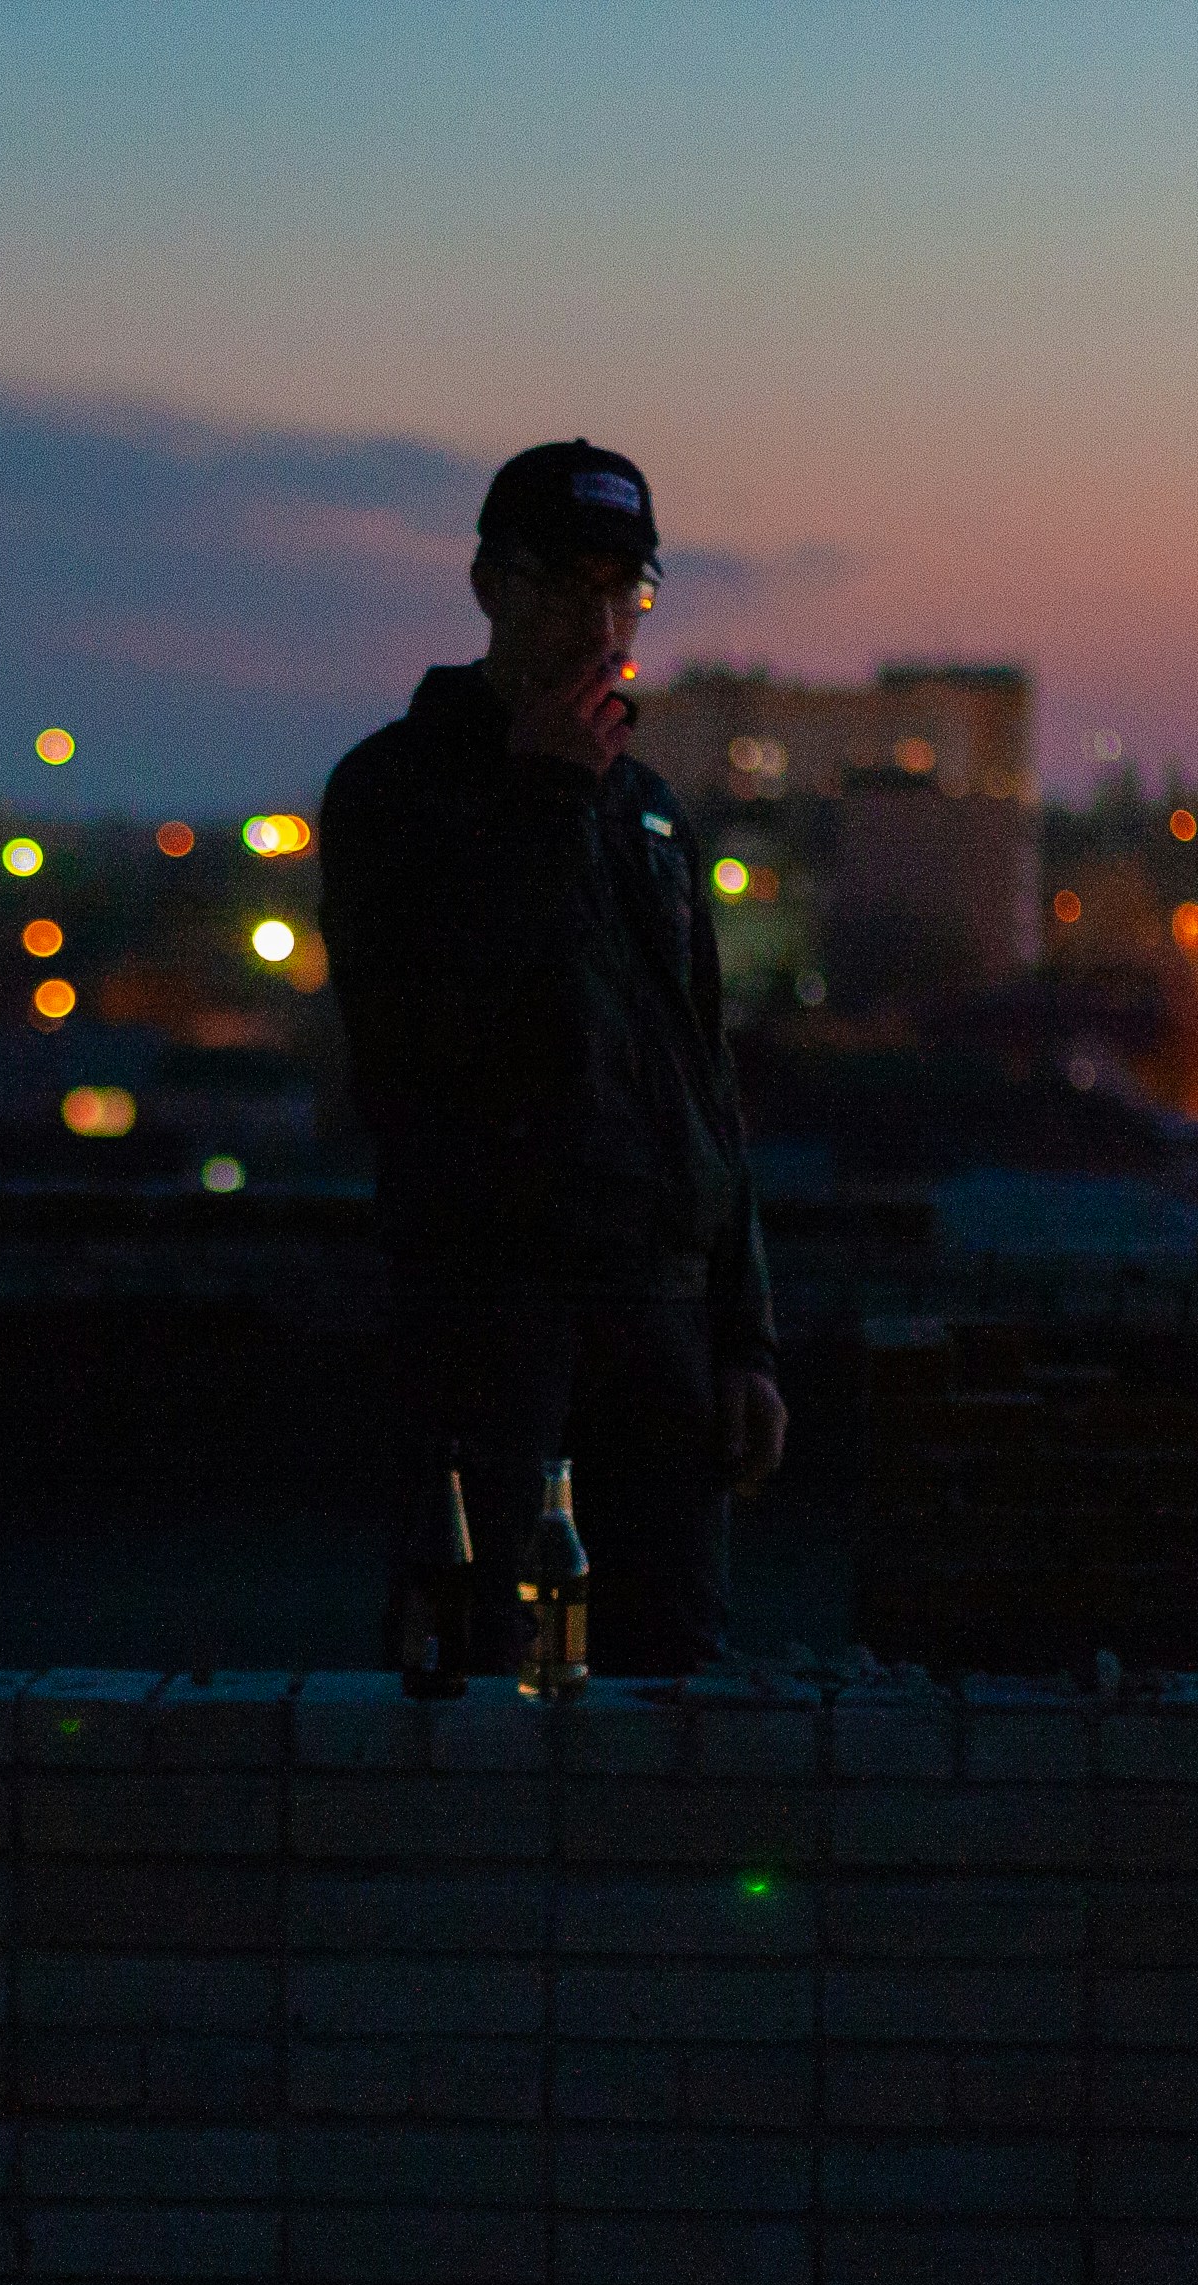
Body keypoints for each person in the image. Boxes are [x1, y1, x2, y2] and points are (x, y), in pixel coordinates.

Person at [317, 439, 784, 1677]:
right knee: (484, 1670)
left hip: (662, 1322)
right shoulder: (398, 789)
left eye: (625, 591)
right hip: (493, 1317)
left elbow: (702, 1080)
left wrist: (743, 1339)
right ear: (491, 587)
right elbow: (412, 1047)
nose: (599, 623)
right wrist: (540, 805)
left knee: (674, 1677)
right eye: (568, 585)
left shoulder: (647, 811)